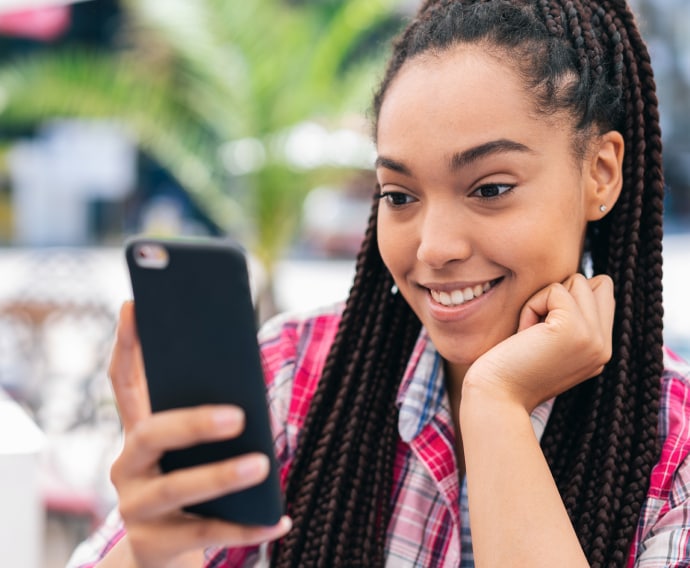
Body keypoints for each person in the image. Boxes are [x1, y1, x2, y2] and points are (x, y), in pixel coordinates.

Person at [68, 0, 690, 566]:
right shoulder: (296, 381)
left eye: (491, 189)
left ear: (601, 173)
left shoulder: (674, 452)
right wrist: (151, 553)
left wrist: (495, 408)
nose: (433, 247)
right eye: (399, 194)